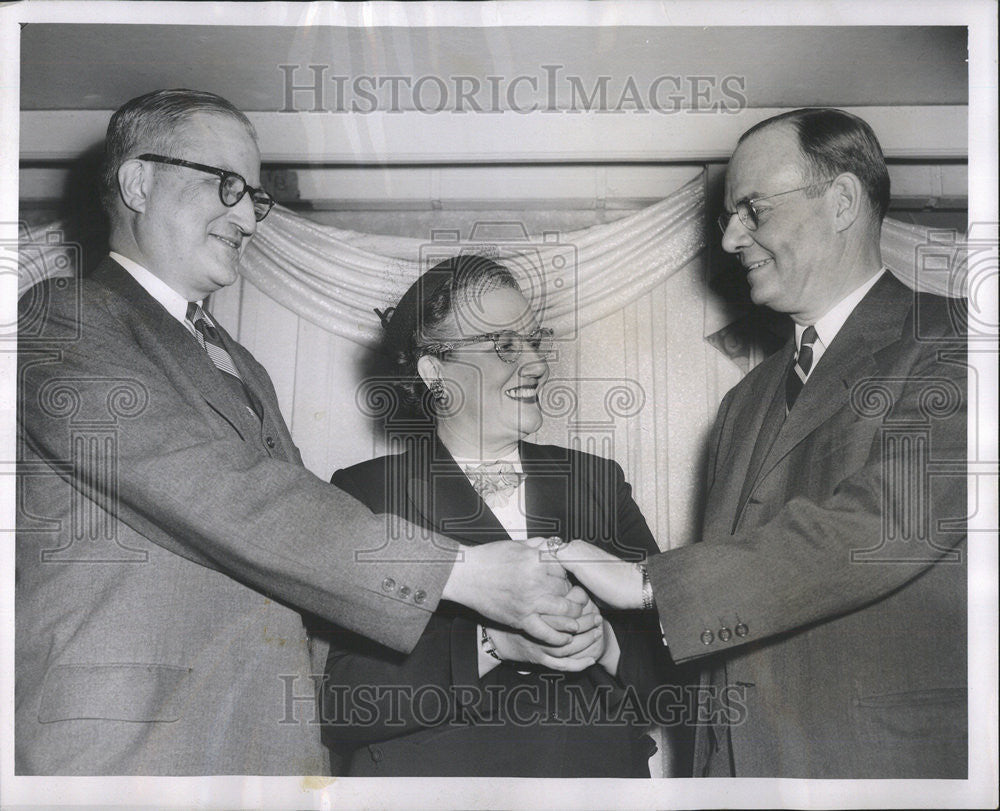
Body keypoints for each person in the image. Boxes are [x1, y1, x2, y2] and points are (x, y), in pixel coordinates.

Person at [15, 89, 584, 776]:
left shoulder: (239, 359)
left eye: (255, 196)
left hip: (260, 750)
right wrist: (460, 571)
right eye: (226, 184)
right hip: (127, 749)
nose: (246, 214)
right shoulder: (61, 318)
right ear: (139, 181)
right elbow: (222, 492)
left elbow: (290, 560)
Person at [554, 108, 968, 778]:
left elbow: (877, 526)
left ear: (841, 201)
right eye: (727, 216)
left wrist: (648, 583)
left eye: (751, 209)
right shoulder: (742, 404)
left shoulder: (958, 349)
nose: (729, 239)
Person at [319, 255, 673, 777]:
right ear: (435, 370)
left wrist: (604, 644)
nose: (535, 363)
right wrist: (494, 643)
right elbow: (343, 705)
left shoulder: (599, 481)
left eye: (534, 340)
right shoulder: (366, 493)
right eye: (505, 345)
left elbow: (673, 686)